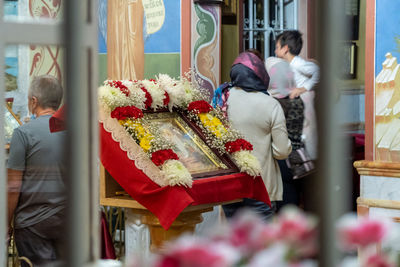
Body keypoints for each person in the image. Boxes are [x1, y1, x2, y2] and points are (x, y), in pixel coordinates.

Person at [217, 50, 292, 221]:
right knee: (262, 244)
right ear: (260, 74)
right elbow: (282, 151)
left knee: (236, 240)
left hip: (231, 184)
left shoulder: (223, 99)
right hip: (262, 186)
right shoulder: (271, 104)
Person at [7, 75, 66, 266]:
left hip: (33, 224)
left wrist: (6, 224)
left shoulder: (23, 133)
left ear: (34, 102)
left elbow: (14, 186)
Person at [265, 56, 305, 209]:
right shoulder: (297, 98)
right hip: (298, 158)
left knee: (283, 203)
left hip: (280, 159)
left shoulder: (271, 101)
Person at [275, 30, 319, 160]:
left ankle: (308, 162)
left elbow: (318, 71)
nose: (275, 51)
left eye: (277, 48)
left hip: (306, 101)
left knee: (307, 133)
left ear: (285, 49)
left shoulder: (298, 63)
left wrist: (303, 88)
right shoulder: (287, 65)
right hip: (298, 103)